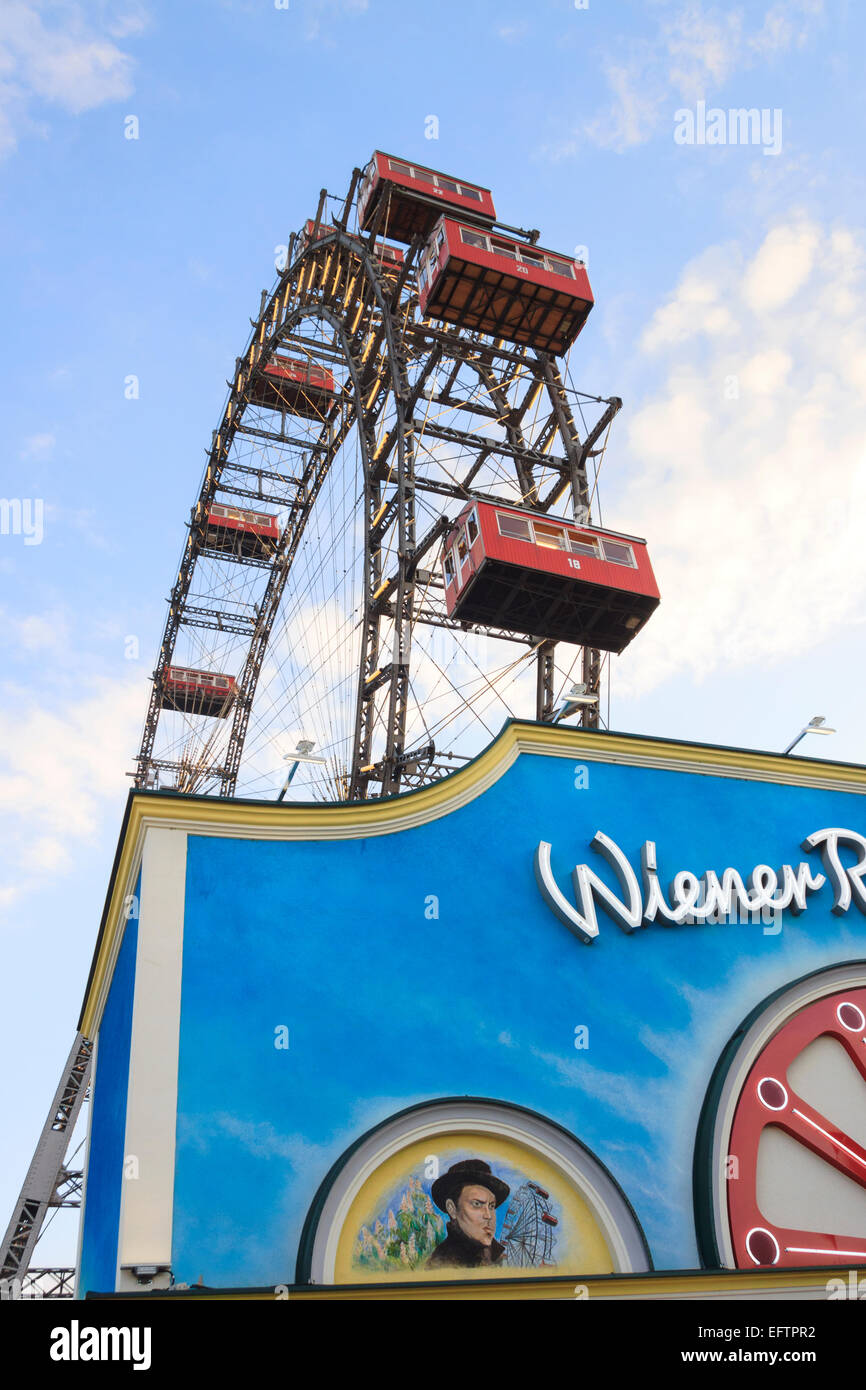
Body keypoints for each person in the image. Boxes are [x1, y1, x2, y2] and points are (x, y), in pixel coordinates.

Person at [427, 1158, 510, 1269]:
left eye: (491, 1206)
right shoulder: (440, 1264)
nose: (488, 1215)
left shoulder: (501, 1260)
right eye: (477, 1204)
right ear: (452, 1209)